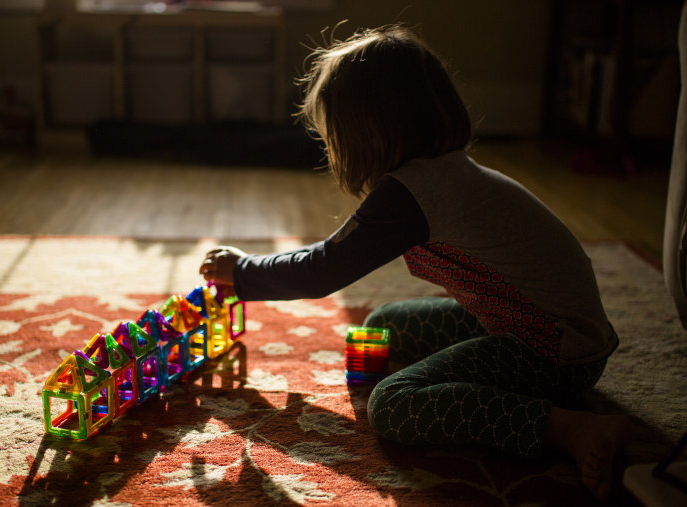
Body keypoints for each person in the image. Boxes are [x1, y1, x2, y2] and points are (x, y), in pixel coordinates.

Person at [198, 24, 633, 501]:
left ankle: (568, 428)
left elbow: (323, 268)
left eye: (333, 137)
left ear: (367, 131)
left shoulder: (411, 194)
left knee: (394, 405)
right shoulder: (440, 173)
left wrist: (242, 272)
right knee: (386, 324)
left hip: (556, 351)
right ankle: (516, 389)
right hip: (538, 323)